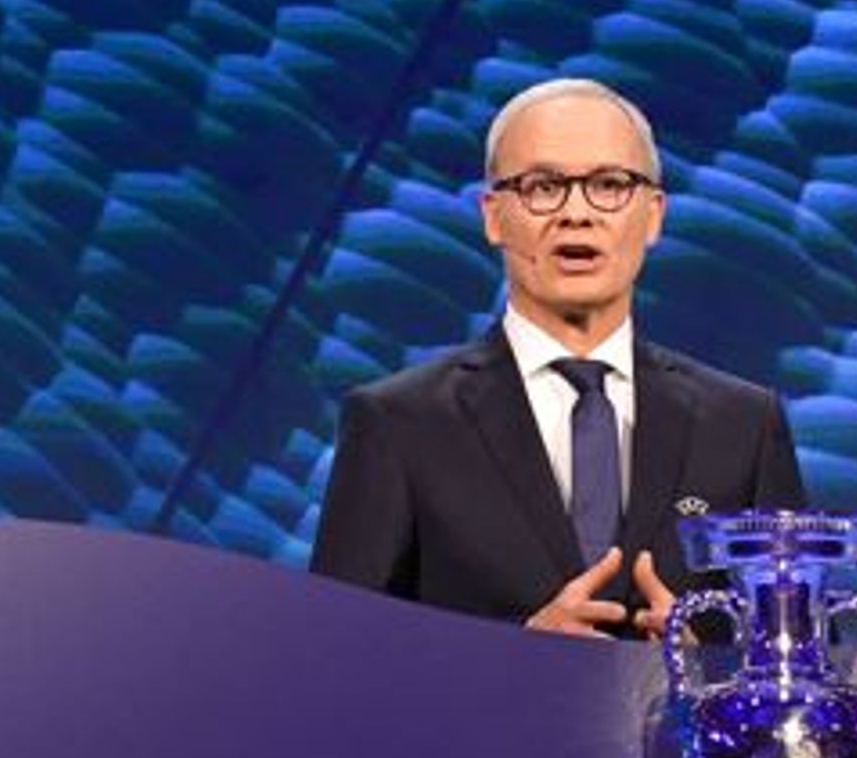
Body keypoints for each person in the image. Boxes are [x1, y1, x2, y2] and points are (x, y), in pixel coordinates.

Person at [310, 77, 805, 638]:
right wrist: (518, 664)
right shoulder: (398, 423)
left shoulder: (743, 425)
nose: (577, 213)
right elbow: (334, 658)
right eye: (543, 187)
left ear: (654, 216)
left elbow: (809, 667)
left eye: (610, 184)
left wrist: (709, 673)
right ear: (494, 216)